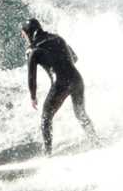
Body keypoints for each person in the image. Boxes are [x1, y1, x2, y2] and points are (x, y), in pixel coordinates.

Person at [22, 18, 99, 156]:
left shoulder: (33, 49)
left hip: (60, 84)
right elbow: (74, 58)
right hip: (77, 79)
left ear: (28, 33)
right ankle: (95, 141)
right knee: (81, 113)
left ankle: (48, 154)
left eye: (23, 35)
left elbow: (31, 76)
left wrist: (33, 97)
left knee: (46, 117)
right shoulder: (58, 38)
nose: (24, 38)